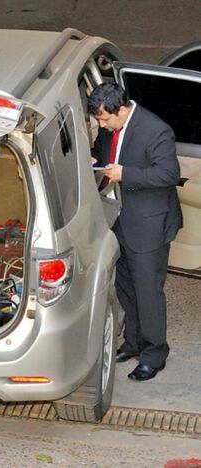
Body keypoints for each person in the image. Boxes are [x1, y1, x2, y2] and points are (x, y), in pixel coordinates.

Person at [88, 82, 182, 382]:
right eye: (99, 120)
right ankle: (133, 343)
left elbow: (168, 174)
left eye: (105, 119)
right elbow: (102, 150)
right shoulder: (110, 125)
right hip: (120, 219)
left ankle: (154, 354)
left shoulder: (156, 130)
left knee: (148, 291)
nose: (102, 125)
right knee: (126, 288)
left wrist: (125, 173)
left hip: (149, 225)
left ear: (122, 109)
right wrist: (95, 161)